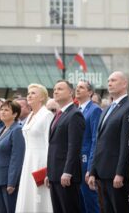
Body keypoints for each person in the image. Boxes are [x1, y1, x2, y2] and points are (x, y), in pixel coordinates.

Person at [88, 71, 129, 213]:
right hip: (102, 172)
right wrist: (93, 171)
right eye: (109, 80)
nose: (109, 83)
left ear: (124, 84)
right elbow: (99, 142)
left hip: (116, 174)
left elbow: (126, 144)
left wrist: (121, 173)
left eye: (114, 80)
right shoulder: (107, 109)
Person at [45, 80, 85, 213]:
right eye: (54, 89)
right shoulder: (58, 115)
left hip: (66, 175)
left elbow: (74, 146)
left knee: (69, 209)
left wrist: (68, 172)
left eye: (60, 89)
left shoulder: (75, 114)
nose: (55, 91)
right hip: (55, 174)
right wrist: (48, 173)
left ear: (70, 92)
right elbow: (53, 146)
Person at [16, 84, 54, 212]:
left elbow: (49, 143)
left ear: (42, 98)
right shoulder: (30, 116)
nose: (29, 95)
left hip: (40, 161)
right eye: (28, 93)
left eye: (33, 93)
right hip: (28, 160)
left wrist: (48, 168)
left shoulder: (47, 115)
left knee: (40, 195)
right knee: (28, 194)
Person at [0, 100, 25, 213]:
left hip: (8, 181)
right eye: (1, 109)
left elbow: (17, 158)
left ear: (15, 114)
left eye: (6, 110)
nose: (2, 112)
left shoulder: (17, 130)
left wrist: (12, 182)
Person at [75, 80, 102, 213]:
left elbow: (95, 140)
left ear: (90, 92)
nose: (77, 89)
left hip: (86, 162)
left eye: (81, 87)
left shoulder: (95, 110)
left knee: (90, 201)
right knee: (79, 201)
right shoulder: (76, 110)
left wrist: (91, 168)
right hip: (76, 162)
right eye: (77, 87)